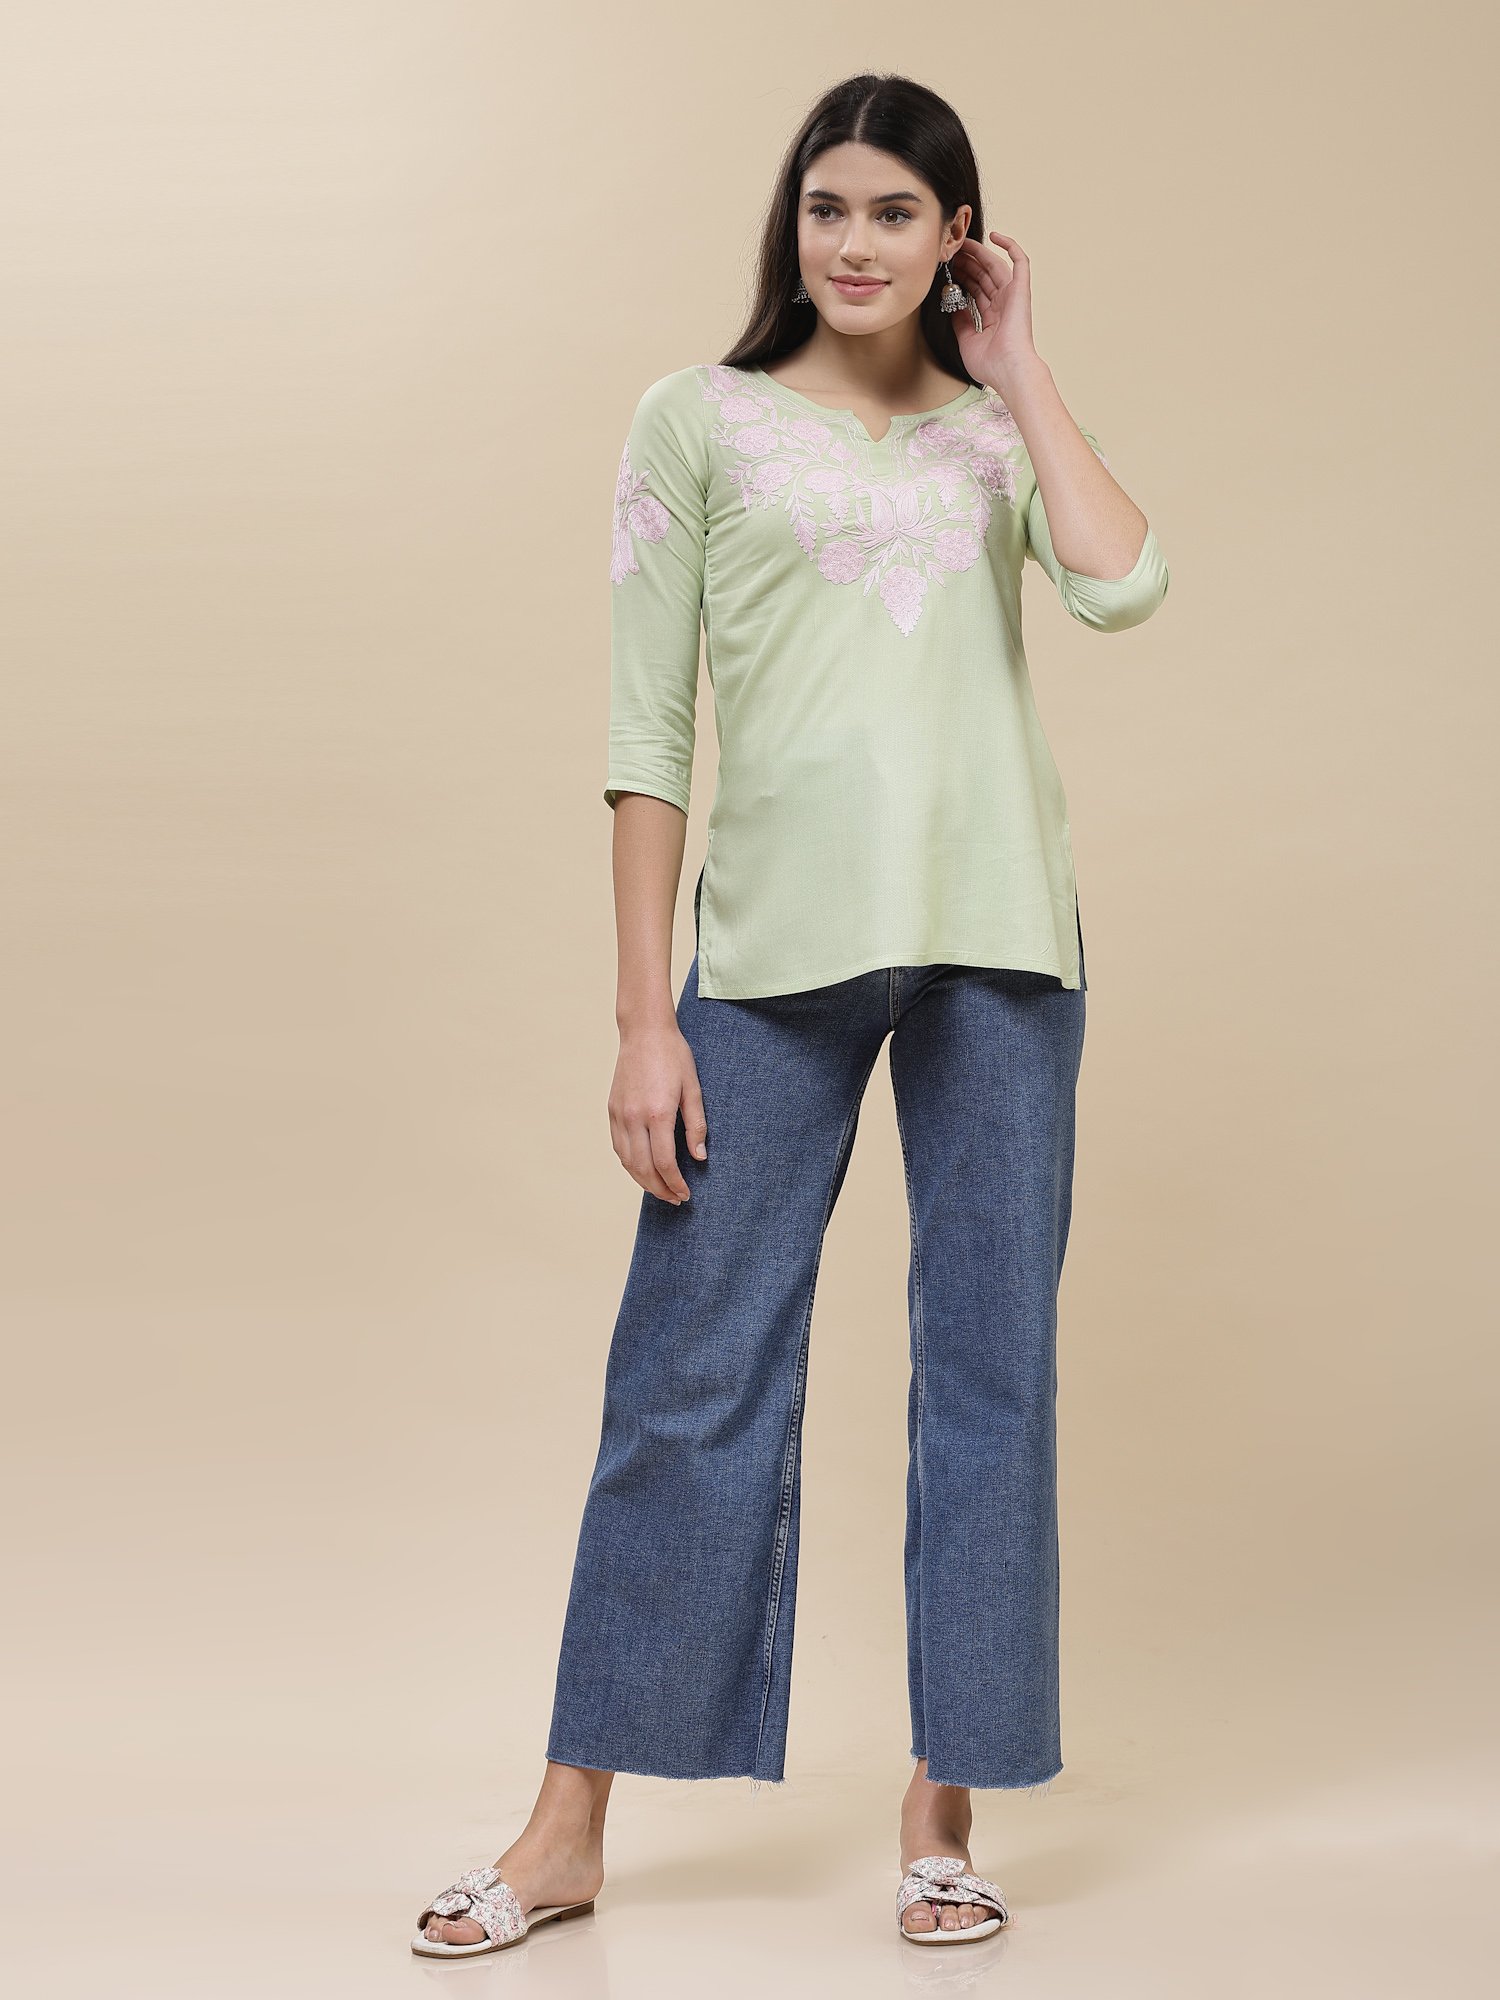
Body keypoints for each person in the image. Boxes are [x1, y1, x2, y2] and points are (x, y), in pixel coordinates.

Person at [411, 70, 1169, 1958]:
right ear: (792, 220)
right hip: (762, 963)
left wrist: (1023, 365)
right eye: (829, 205)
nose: (855, 242)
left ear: (957, 237)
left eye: (897, 213)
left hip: (1003, 944)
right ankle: (565, 1829)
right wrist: (640, 1019)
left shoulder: (997, 432)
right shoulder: (700, 419)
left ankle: (942, 1815)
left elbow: (1127, 581)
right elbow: (646, 731)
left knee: (990, 1375)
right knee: (687, 1375)